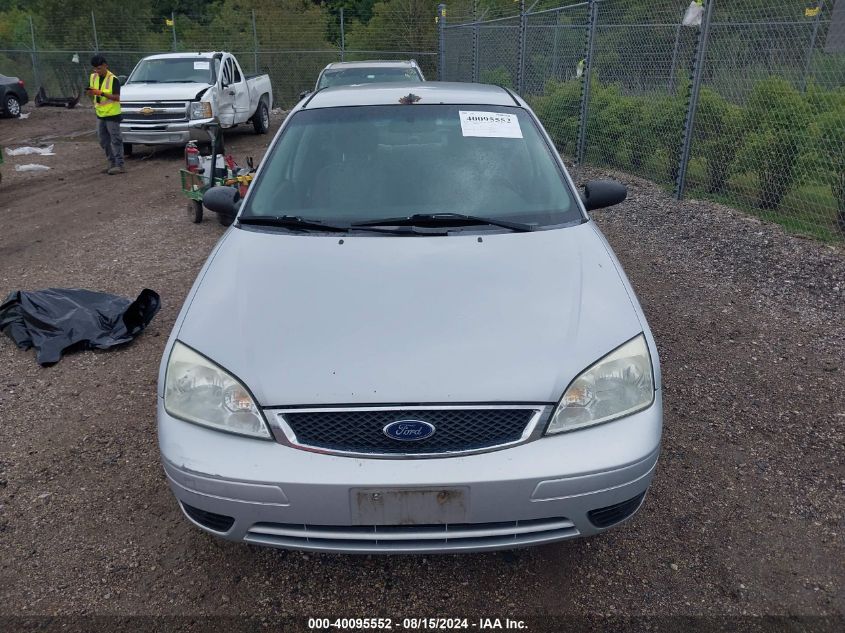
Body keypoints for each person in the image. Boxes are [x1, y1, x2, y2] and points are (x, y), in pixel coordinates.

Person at [85, 55, 125, 175]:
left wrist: (100, 93)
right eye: (95, 69)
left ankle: (119, 165)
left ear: (105, 65)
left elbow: (117, 97)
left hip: (112, 114)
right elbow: (91, 90)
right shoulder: (93, 77)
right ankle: (111, 163)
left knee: (115, 140)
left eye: (99, 68)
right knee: (103, 140)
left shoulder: (113, 79)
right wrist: (89, 92)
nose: (97, 71)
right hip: (100, 113)